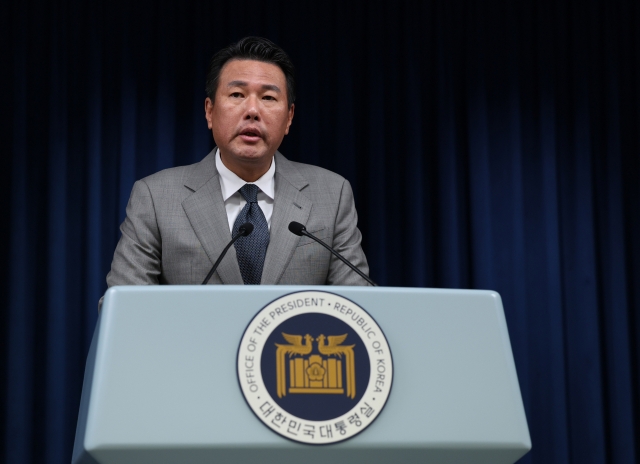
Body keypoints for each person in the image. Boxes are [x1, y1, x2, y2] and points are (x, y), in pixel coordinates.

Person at [106, 37, 370, 288]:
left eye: (268, 98)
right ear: (209, 111)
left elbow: (359, 308)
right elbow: (123, 308)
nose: (252, 111)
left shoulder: (332, 195)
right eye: (236, 95)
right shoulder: (155, 197)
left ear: (289, 117)